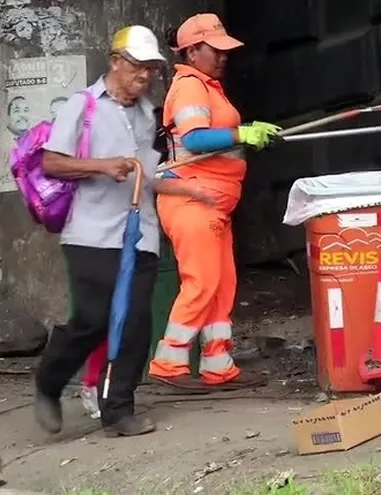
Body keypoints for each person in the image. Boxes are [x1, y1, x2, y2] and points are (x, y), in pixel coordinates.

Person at [34, 25, 215, 437]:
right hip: (90, 234)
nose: (145, 75)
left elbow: (146, 177)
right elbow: (51, 163)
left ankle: (119, 409)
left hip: (139, 233)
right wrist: (101, 165)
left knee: (135, 322)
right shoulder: (82, 106)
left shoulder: (146, 114)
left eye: (151, 68)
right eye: (138, 66)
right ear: (115, 62)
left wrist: (188, 189)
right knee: (94, 319)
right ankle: (48, 380)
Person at [147, 13, 281, 391]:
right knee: (203, 282)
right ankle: (169, 363)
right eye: (215, 50)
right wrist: (242, 132)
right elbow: (195, 141)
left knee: (221, 284)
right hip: (193, 200)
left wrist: (246, 135)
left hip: (213, 204)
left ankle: (217, 364)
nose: (224, 57)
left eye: (226, 51)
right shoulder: (190, 86)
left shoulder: (208, 85)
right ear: (192, 51)